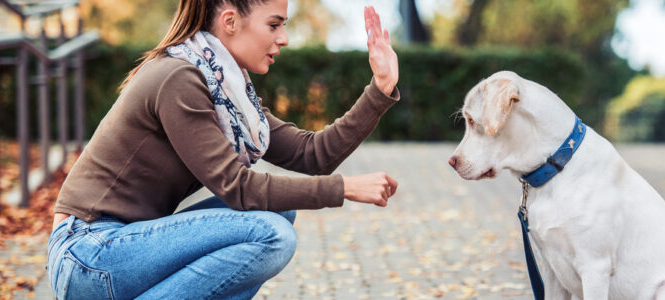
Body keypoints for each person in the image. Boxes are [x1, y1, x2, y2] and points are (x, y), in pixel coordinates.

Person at [46, 0, 400, 298]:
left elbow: (312, 155)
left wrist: (380, 89)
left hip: (120, 249)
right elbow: (238, 187)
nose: (285, 38)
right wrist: (344, 188)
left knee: (280, 217)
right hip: (87, 253)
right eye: (274, 25)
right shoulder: (179, 78)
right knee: (271, 233)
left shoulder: (226, 95)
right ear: (230, 21)